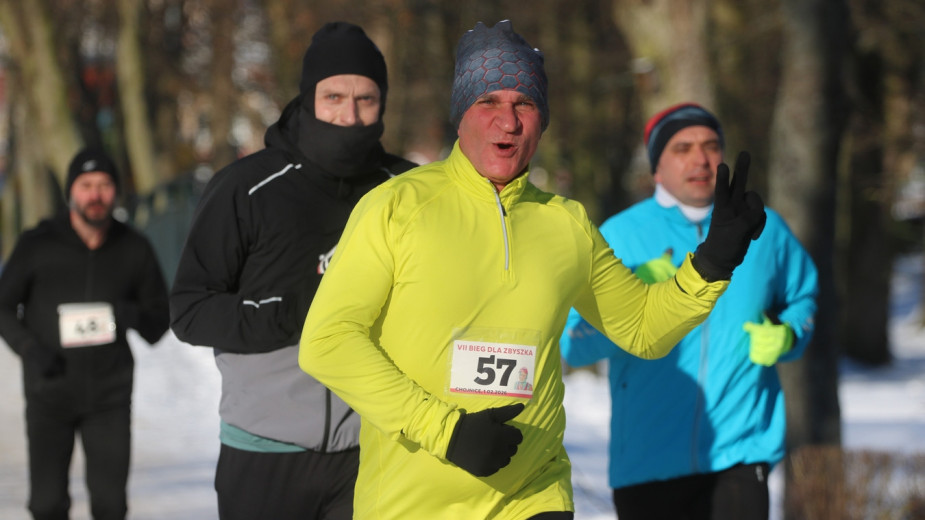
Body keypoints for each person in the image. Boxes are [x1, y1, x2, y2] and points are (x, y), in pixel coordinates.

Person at [299, 21, 767, 520]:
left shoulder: (566, 223)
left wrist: (714, 261)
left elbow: (641, 328)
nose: (509, 121)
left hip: (534, 496)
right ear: (461, 116)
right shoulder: (396, 206)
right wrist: (445, 430)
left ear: (542, 121)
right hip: (413, 503)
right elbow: (328, 341)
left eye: (525, 104)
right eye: (488, 103)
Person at [169, 22, 416, 520]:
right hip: (264, 453)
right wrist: (292, 313)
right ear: (307, 99)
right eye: (334, 97)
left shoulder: (407, 190)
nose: (349, 115)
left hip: (374, 454)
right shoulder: (246, 189)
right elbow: (189, 310)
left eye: (366, 99)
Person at [560, 103, 819, 520]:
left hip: (741, 451)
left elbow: (803, 298)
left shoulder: (763, 228)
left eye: (711, 145)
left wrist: (788, 333)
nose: (700, 159)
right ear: (656, 167)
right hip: (648, 462)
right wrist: (626, 301)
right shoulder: (618, 236)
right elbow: (573, 346)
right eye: (682, 148)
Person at [0, 147, 170, 520]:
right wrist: (28, 348)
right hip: (49, 391)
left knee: (110, 506)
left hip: (109, 396)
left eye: (105, 185)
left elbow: (159, 322)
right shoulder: (37, 243)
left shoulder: (134, 247)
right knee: (47, 505)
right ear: (71, 192)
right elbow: (3, 306)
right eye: (86, 185)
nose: (95, 195)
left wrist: (132, 315)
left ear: (116, 192)